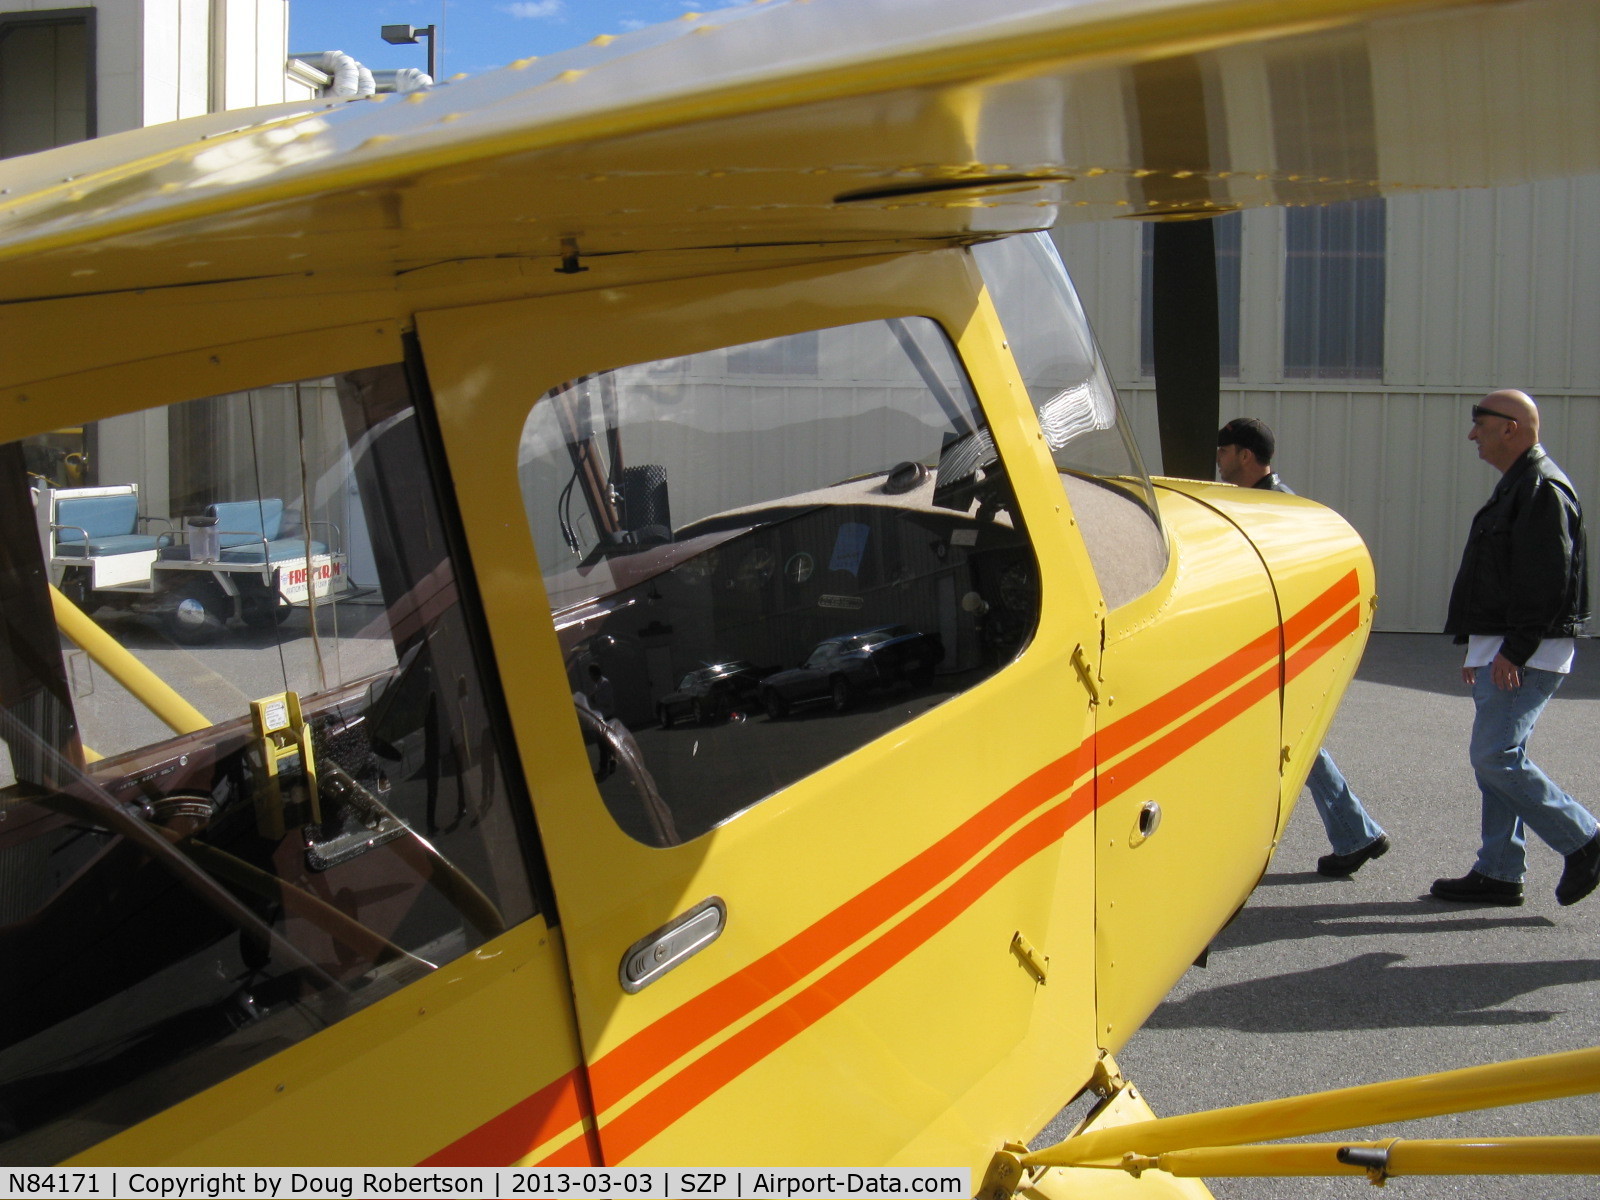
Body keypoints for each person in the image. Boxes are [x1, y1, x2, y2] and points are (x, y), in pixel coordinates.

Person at [1432, 389, 1598, 907]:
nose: (1471, 433)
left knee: (1495, 757)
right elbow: (1500, 577)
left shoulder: (1540, 488)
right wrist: (1479, 648)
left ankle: (1586, 839)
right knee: (1501, 760)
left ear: (1512, 428)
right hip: (1502, 649)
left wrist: (1514, 650)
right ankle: (1500, 870)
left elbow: (1547, 580)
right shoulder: (1518, 486)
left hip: (1525, 652)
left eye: (1479, 422)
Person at [1217, 418, 1391, 877]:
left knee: (1283, 743)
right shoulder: (1256, 503)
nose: (1218, 461)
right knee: (1285, 744)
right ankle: (1357, 832)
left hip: (1276, 650)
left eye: (1224, 451)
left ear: (1246, 457)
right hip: (1266, 649)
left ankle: (1353, 833)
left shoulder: (1279, 512)